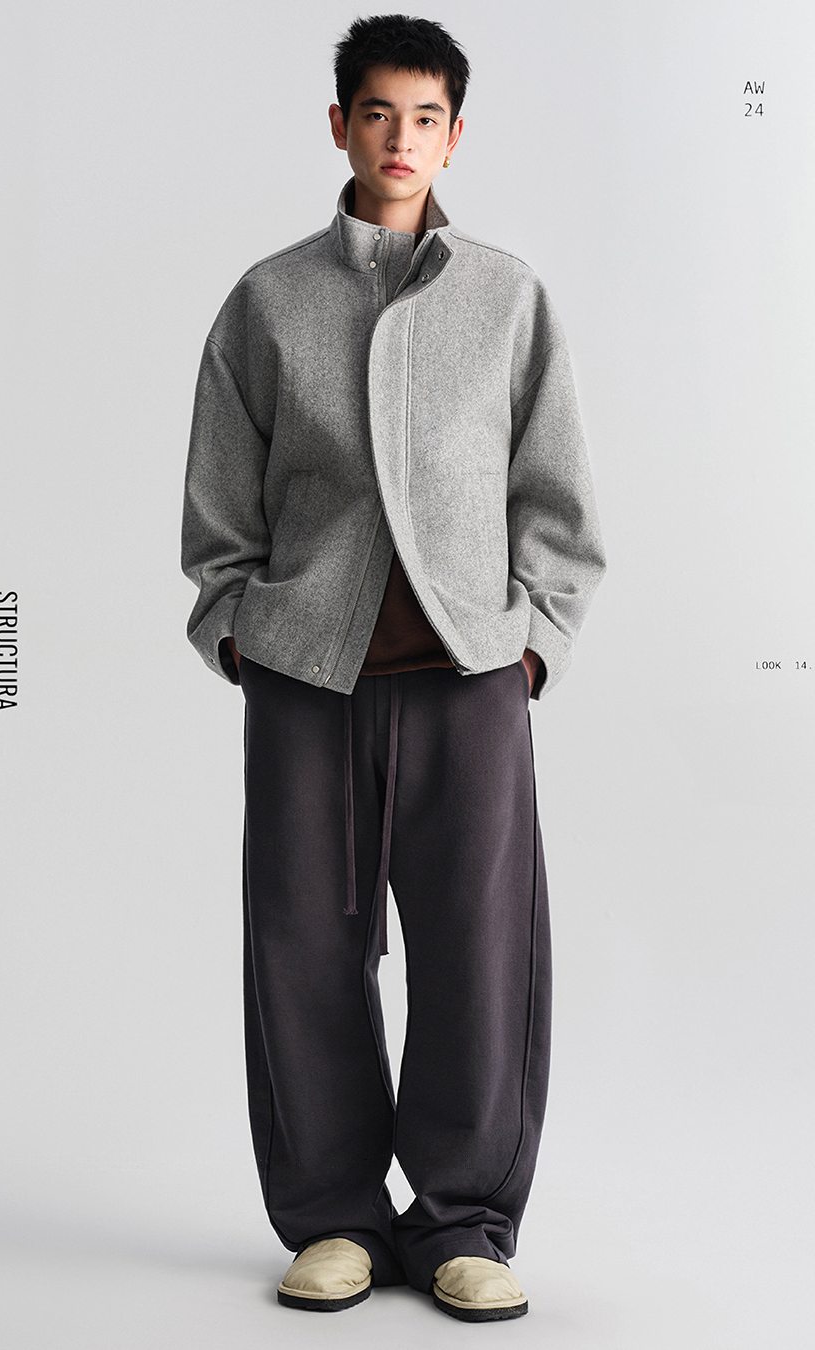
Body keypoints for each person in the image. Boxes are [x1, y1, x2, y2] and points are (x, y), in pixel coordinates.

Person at [181, 13, 604, 1323]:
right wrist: (237, 629)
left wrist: (533, 646)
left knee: (480, 949)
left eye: (426, 118)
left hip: (472, 678)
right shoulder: (268, 302)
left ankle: (466, 1219)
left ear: (455, 135)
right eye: (378, 113)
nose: (400, 139)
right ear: (340, 126)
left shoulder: (508, 298)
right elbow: (220, 510)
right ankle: (333, 1219)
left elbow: (555, 499)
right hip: (306, 681)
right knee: (304, 943)